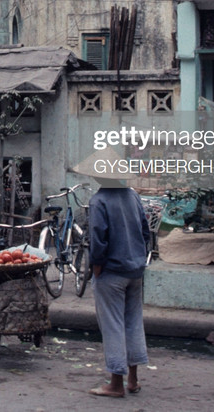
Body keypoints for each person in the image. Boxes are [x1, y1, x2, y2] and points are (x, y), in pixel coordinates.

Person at [74, 149, 151, 398]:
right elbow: (145, 232)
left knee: (113, 326)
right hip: (135, 270)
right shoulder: (133, 196)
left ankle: (116, 383)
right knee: (133, 322)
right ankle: (133, 379)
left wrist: (96, 266)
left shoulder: (99, 200)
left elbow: (98, 238)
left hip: (112, 272)